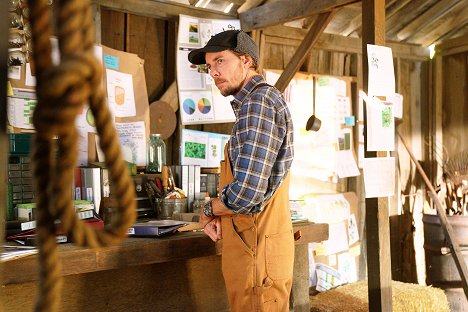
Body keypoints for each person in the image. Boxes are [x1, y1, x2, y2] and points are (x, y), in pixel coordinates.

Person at [188, 30, 295, 312]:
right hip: (257, 249)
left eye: (220, 61)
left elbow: (247, 194)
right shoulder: (257, 102)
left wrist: (210, 208)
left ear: (246, 60)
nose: (213, 72)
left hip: (256, 253)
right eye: (209, 66)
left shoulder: (258, 104)